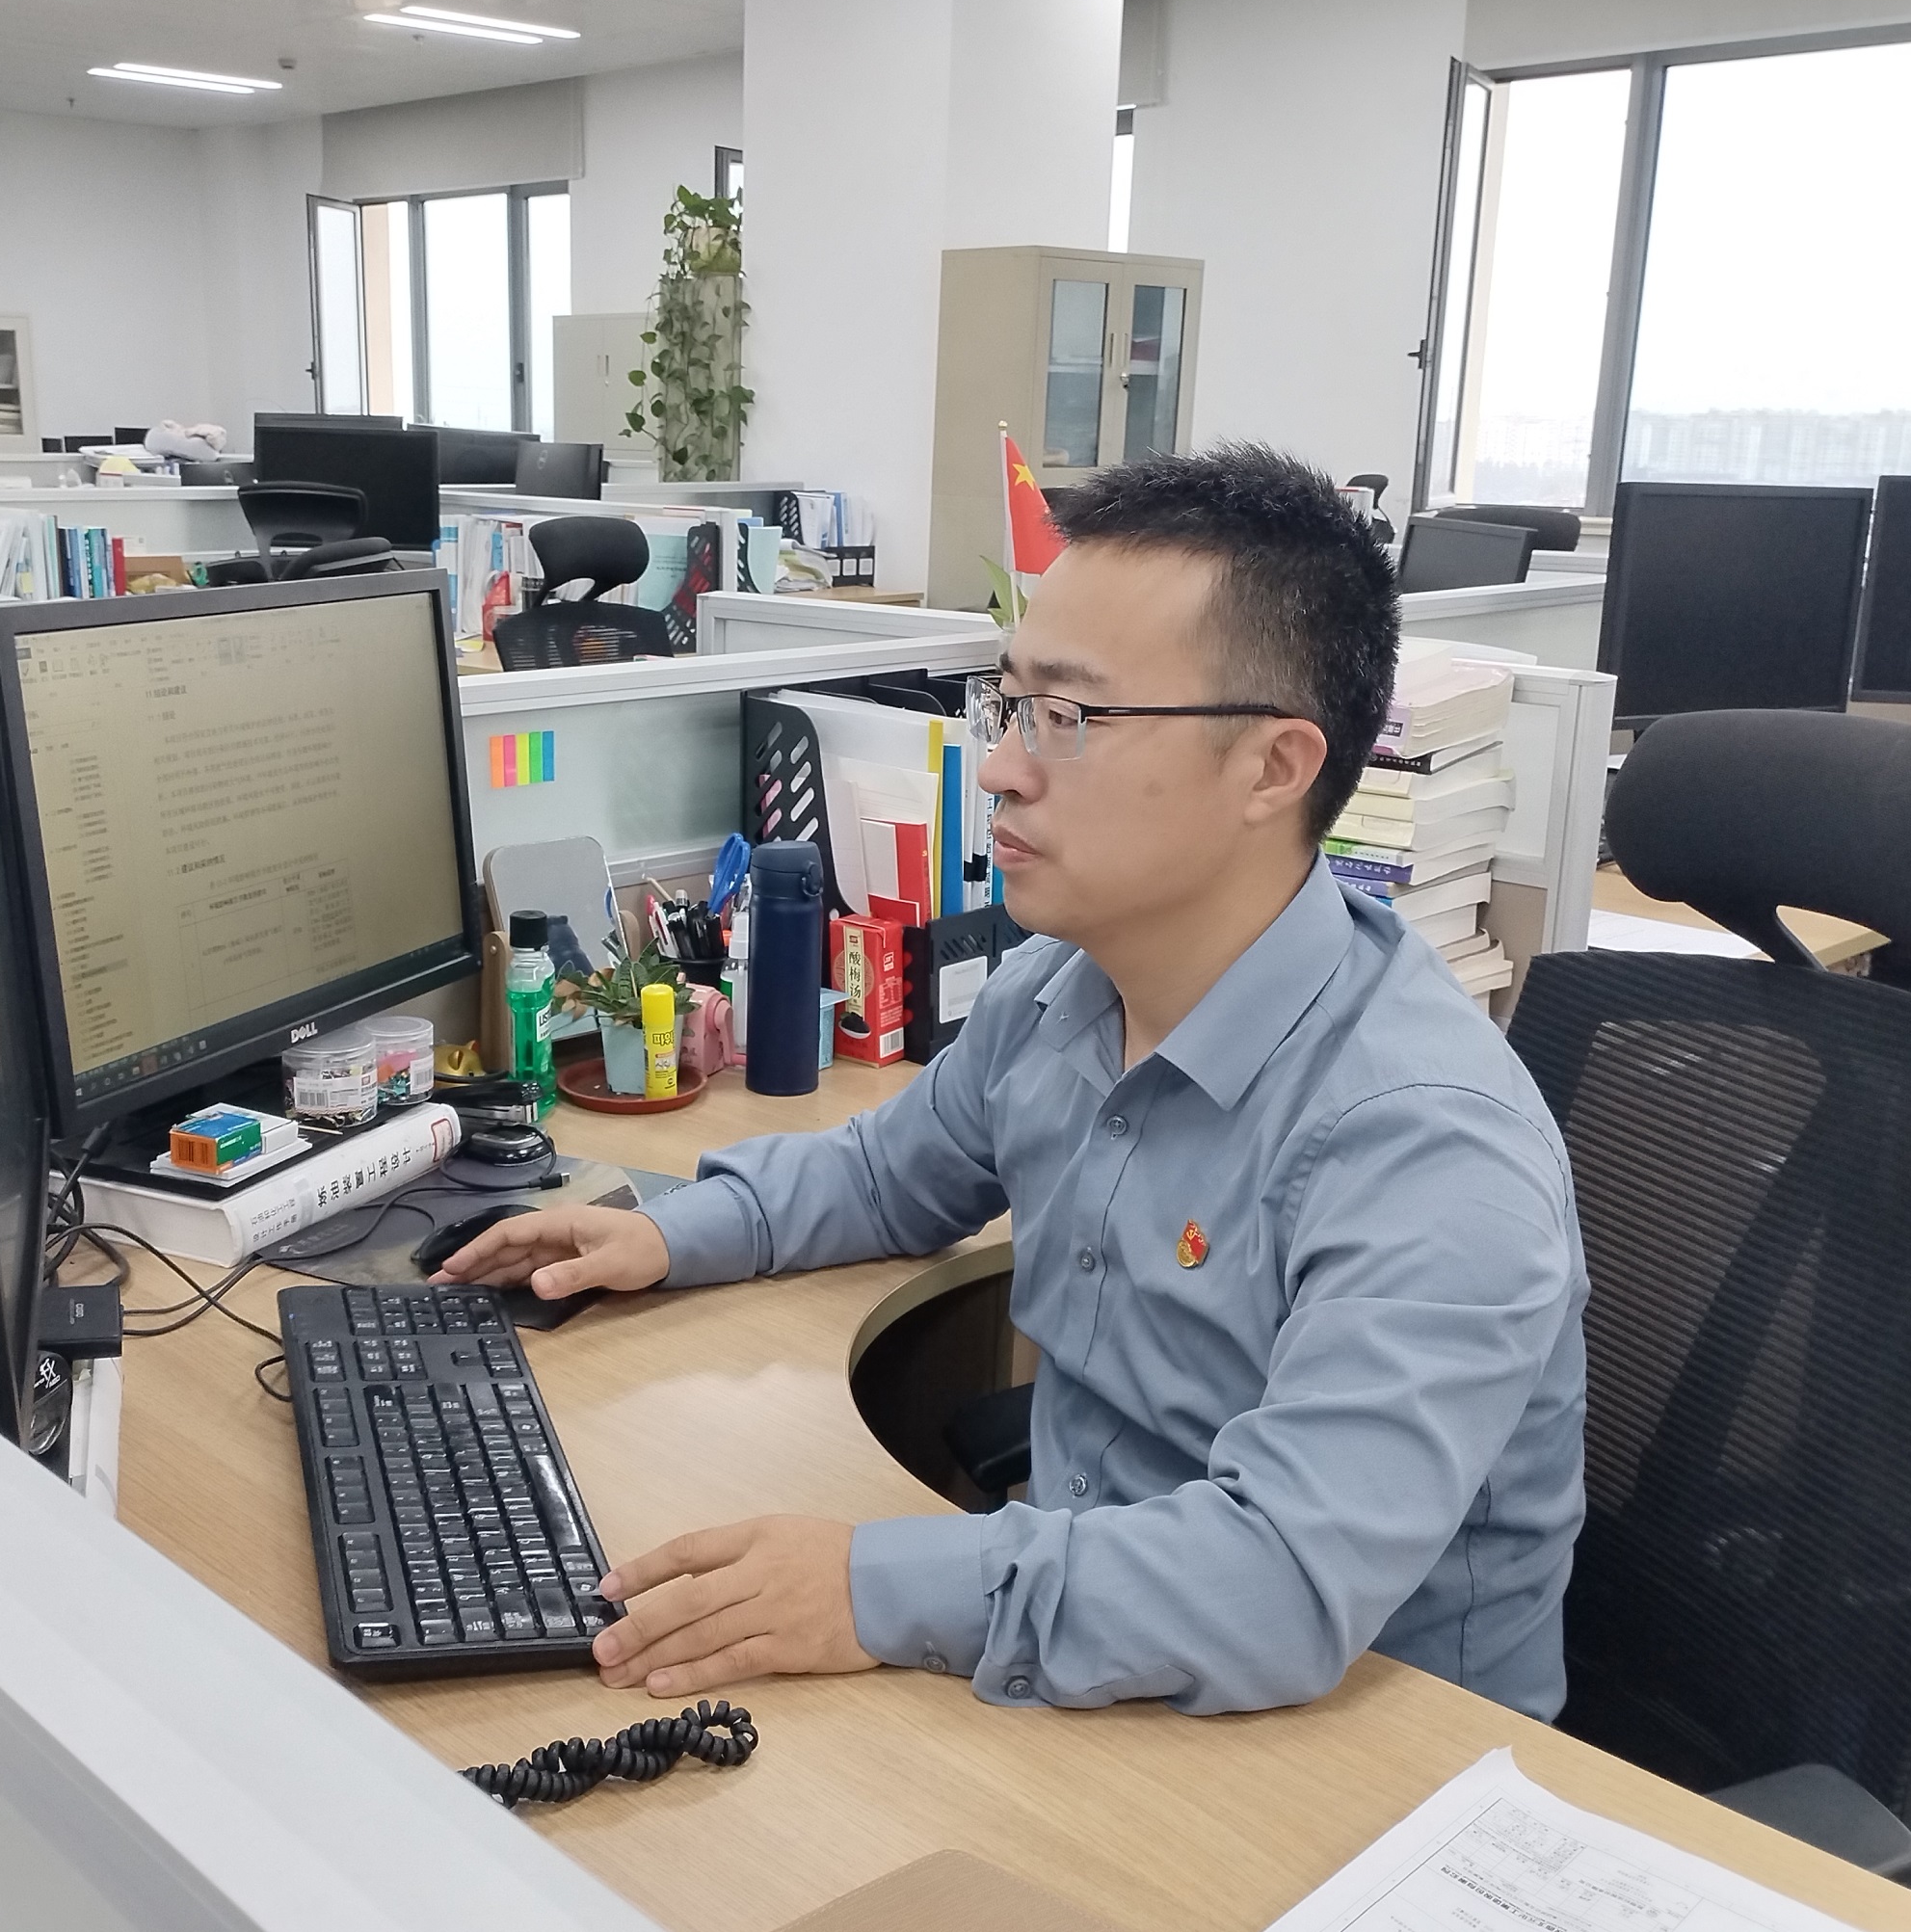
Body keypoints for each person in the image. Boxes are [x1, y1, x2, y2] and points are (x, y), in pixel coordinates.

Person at [437, 443, 1588, 1719]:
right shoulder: (1065, 988)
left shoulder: (1428, 1145)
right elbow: (886, 1177)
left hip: (1366, 1755)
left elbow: (1280, 1586)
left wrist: (865, 1587)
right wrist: (660, 1235)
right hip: (1097, 1657)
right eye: (1012, 704)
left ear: (1273, 767)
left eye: (1071, 718)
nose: (999, 767)